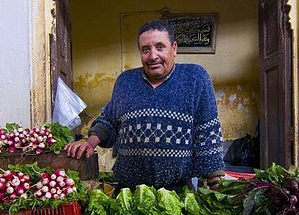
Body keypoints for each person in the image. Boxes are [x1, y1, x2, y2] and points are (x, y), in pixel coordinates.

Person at [65, 20, 225, 191]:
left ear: (174, 48)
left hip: (177, 195)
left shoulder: (194, 78)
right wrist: (89, 143)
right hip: (128, 192)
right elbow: (109, 120)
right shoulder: (126, 81)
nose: (153, 55)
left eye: (160, 47)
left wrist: (215, 188)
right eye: (145, 49)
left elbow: (207, 131)